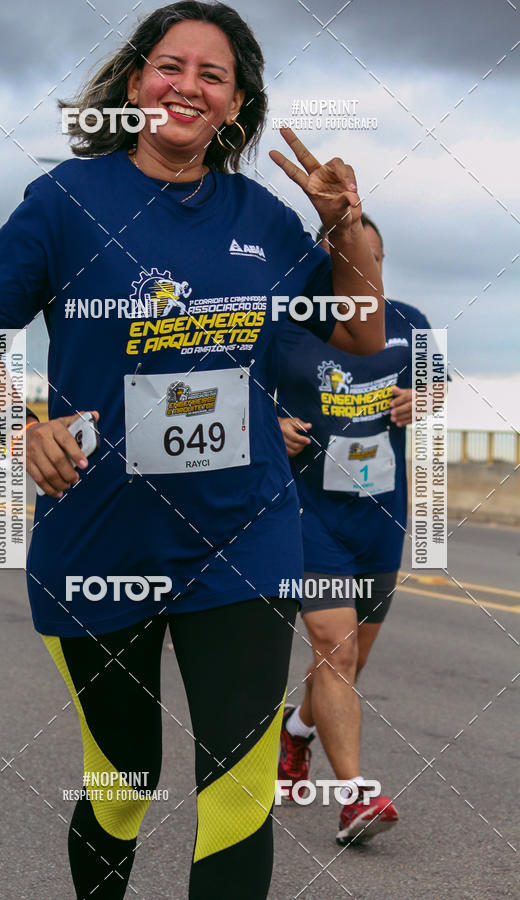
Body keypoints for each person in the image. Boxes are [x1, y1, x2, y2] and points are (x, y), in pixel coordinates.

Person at [0, 2, 384, 896]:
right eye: (169, 66)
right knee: (121, 789)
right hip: (101, 543)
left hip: (244, 541)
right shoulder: (66, 201)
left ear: (236, 106)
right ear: (137, 80)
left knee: (236, 795)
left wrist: (348, 231)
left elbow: (360, 339)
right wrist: (21, 426)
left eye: (211, 76)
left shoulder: (265, 220)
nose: (186, 85)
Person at [275, 213, 434, 845]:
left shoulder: (411, 322)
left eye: (369, 259)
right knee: (333, 651)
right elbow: (236, 394)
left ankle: (294, 733)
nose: (357, 270)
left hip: (380, 516)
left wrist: (423, 399)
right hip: (308, 514)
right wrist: (270, 426)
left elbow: (434, 385)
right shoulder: (281, 331)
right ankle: (355, 797)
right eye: (345, 258)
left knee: (350, 660)